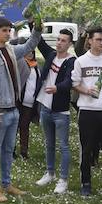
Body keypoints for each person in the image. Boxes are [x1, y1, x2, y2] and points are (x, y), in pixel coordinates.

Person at [0, 15, 41, 201]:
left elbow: (30, 45)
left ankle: (6, 184)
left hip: (13, 110)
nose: (7, 34)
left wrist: (37, 29)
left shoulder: (11, 50)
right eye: (3, 30)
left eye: (9, 30)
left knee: (7, 149)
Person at [74, 26, 102, 196]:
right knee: (87, 149)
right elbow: (75, 83)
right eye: (99, 39)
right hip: (87, 110)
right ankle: (86, 183)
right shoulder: (81, 61)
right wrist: (86, 91)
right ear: (90, 41)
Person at [33, 28, 77, 193]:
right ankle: (49, 173)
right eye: (58, 39)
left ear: (70, 44)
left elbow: (70, 82)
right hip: (45, 107)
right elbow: (40, 42)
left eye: (63, 40)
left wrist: (57, 88)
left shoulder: (72, 61)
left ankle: (63, 180)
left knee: (63, 146)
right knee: (48, 143)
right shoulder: (51, 55)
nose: (59, 43)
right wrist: (34, 24)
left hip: (60, 110)